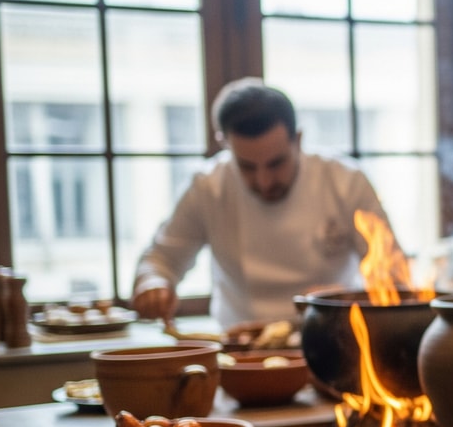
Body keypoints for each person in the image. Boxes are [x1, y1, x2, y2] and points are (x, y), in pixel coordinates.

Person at [131, 78, 392, 329]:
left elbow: (393, 276)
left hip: (334, 339)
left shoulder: (345, 181)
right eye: (246, 166)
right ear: (224, 145)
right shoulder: (207, 187)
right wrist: (153, 284)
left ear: (298, 140)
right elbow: (160, 259)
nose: (264, 181)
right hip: (241, 347)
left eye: (276, 163)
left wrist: (342, 296)